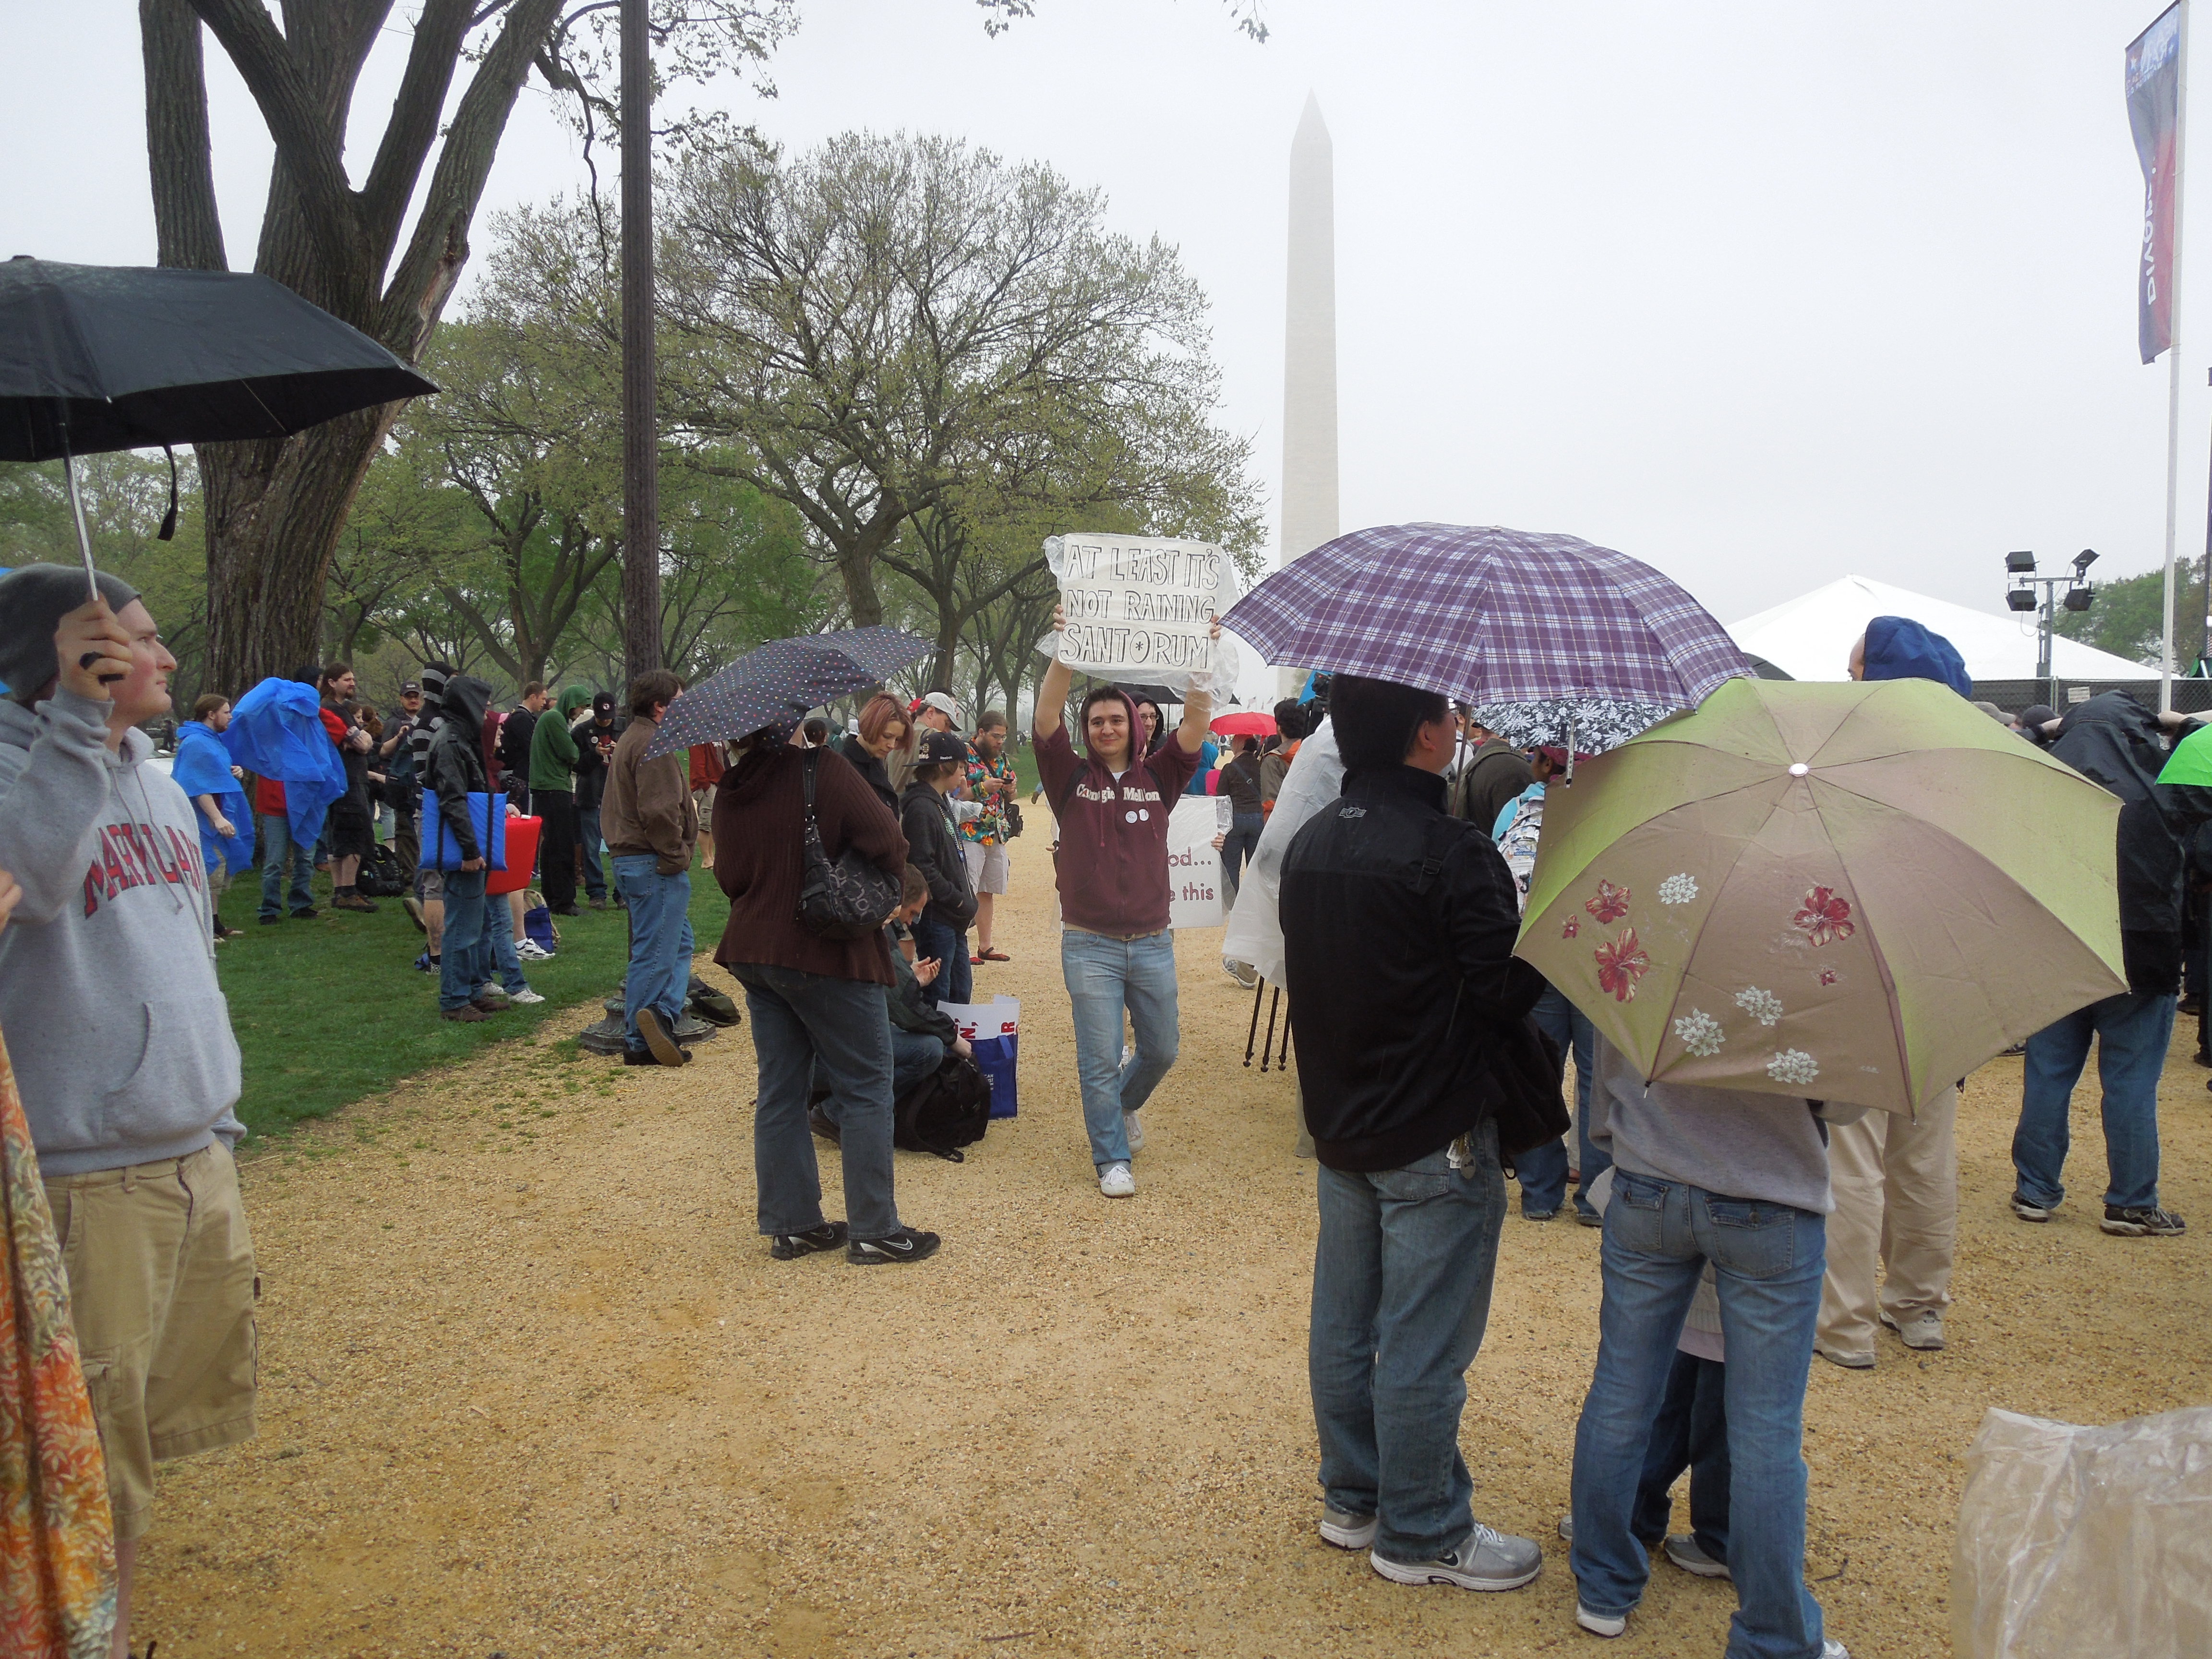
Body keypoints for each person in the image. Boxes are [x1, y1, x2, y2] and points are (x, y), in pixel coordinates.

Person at [0, 566, 258, 1659]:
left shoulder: (154, 781)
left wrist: (216, 1120)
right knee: (80, 1463)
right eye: (133, 640)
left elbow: (188, 953)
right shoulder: (16, 771)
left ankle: (114, 1634)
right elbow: (29, 884)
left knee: (138, 1443)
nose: (162, 656)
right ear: (66, 656)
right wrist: (71, 723)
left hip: (190, 1149)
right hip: (83, 1176)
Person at [1278, 672, 1548, 1597]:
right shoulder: (1451, 850)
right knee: (1422, 1342)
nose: (1458, 725)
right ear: (1427, 733)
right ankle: (1423, 1526)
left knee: (1344, 1324)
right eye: (1450, 713)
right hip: (1433, 1129)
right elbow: (1505, 990)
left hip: (1343, 1120)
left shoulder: (1312, 840)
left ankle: (1354, 1495)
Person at [1570, 1039, 1857, 1657]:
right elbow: (1844, 1101)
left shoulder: (1650, 968)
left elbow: (1610, 1059)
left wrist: (1621, 1145)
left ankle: (1601, 1584)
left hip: (1649, 1177)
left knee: (1621, 1393)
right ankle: (1774, 1635)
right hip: (1771, 1189)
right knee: (1766, 1429)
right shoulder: (1818, 976)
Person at [711, 718, 939, 1264]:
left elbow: (729, 875)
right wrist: (871, 890)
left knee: (780, 1089)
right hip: (825, 949)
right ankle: (875, 1228)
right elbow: (890, 842)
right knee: (866, 1083)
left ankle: (793, 1225)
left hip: (755, 950)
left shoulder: (733, 785)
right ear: (789, 719)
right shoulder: (822, 769)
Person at [1815, 618, 1970, 1368]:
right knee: (1925, 1153)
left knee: (1852, 1152)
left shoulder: (1852, 766)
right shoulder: (1970, 770)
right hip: (1941, 982)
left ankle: (1844, 1325)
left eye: (1853, 674)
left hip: (1858, 980)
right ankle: (1921, 1304)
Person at [2010, 690, 2212, 1239]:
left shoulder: (2042, 779)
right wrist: (2180, 723)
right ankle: (2130, 1201)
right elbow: (2208, 756)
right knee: (2131, 1080)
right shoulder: (2166, 784)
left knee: (2048, 1072)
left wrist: (2046, 729)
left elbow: (2002, 752)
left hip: (2060, 941)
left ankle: (2035, 1190)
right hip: (2145, 944)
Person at [1033, 610, 1214, 1198]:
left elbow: (1196, 721)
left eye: (1117, 719)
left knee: (1162, 1049)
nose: (1107, 728)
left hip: (1153, 942)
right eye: (1097, 721)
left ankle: (1123, 1104)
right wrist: (1065, 649)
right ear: (1086, 729)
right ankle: (1111, 1157)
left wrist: (1203, 662)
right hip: (1089, 946)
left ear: (1135, 726)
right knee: (1099, 1057)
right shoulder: (1067, 775)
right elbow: (1046, 716)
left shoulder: (1161, 775)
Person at [1490, 746, 1600, 1224]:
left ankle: (1539, 1192)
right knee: (1598, 1079)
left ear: (1542, 763)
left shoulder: (1516, 811)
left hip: (1536, 952)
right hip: (1599, 959)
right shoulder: (1611, 807)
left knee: (1539, 1067)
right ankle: (1597, 1197)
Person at [811, 866, 975, 1140]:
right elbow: (905, 1008)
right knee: (929, 1051)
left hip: (815, 1047)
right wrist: (952, 1037)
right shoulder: (879, 928)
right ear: (897, 901)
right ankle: (837, 1113)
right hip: (825, 1056)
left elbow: (882, 991)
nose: (912, 922)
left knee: (898, 1035)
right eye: (912, 913)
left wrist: (908, 978)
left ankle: (830, 1099)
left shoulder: (858, 915)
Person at [603, 671, 699, 1066]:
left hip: (635, 859)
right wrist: (675, 855)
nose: (685, 704)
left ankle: (661, 1018)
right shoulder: (652, 743)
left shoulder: (636, 737)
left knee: (679, 944)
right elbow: (659, 811)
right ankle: (641, 1039)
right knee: (656, 952)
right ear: (660, 706)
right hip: (650, 860)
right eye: (679, 698)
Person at [425, 674, 510, 1025]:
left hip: (470, 845)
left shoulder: (460, 738)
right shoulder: (450, 742)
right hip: (463, 850)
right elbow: (453, 801)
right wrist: (471, 851)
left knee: (475, 925)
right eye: (483, 705)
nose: (487, 712)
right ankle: (455, 998)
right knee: (462, 927)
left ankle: (472, 990)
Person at [901, 731, 980, 1008]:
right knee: (939, 995)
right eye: (961, 767)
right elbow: (922, 867)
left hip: (952, 919)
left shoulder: (940, 802)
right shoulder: (921, 808)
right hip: (938, 918)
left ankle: (955, 1038)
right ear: (945, 767)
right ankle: (939, 1039)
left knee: (960, 991)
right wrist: (957, 899)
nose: (964, 774)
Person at [175, 692, 252, 942]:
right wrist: (217, 819)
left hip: (220, 817)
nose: (230, 717)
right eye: (226, 712)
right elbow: (198, 785)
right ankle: (202, 928)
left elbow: (213, 774)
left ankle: (215, 925)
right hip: (206, 822)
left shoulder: (211, 741)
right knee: (207, 872)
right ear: (211, 714)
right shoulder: (196, 743)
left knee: (217, 875)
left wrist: (232, 771)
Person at [962, 710, 1017, 962]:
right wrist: (982, 788)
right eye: (996, 736)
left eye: (1003, 737)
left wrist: (1011, 790)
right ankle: (960, 946)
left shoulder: (1001, 758)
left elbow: (1011, 797)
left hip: (996, 833)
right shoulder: (963, 756)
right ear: (981, 732)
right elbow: (954, 794)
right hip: (970, 832)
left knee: (987, 891)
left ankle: (985, 946)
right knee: (967, 889)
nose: (1000, 742)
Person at [530, 685, 590, 917]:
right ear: (571, 703)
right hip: (554, 788)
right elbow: (571, 753)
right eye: (581, 707)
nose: (581, 712)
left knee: (550, 846)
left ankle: (551, 896)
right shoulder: (555, 719)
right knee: (563, 846)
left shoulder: (550, 718)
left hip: (545, 788)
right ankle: (564, 901)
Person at [1447, 711, 1534, 834]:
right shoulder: (1514, 769)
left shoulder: (1486, 757)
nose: (1483, 738)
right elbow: (1517, 835)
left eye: (1487, 732)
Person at [572, 691, 619, 909]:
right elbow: (576, 765)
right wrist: (595, 754)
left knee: (619, 846)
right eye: (602, 717)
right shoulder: (581, 732)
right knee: (591, 847)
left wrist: (620, 752)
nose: (606, 721)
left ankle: (622, 893)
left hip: (617, 796)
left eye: (609, 717)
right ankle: (596, 893)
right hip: (590, 795)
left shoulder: (623, 729)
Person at [379, 679, 425, 882]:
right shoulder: (394, 722)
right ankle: (408, 876)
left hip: (420, 781)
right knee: (405, 831)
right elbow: (383, 751)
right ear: (401, 699)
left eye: (416, 696)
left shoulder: (425, 720)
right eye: (409, 697)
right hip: (401, 783)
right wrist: (399, 736)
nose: (413, 700)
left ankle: (420, 875)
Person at [837, 693, 909, 816]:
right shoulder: (844, 769)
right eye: (887, 736)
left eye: (897, 739)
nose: (892, 745)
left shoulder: (874, 762)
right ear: (870, 725)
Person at [1216, 734, 1265, 905]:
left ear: (1241, 744)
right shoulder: (1261, 765)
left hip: (1235, 819)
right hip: (1258, 818)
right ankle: (1255, 903)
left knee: (1231, 866)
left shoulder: (1230, 768)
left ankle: (1231, 904)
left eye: (1234, 740)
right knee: (1256, 867)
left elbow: (1221, 797)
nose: (1231, 743)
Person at [499, 682, 548, 814]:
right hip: (520, 777)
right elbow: (531, 748)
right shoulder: (521, 718)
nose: (545, 703)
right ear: (533, 697)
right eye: (543, 698)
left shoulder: (528, 718)